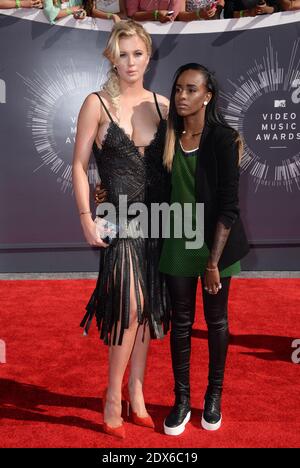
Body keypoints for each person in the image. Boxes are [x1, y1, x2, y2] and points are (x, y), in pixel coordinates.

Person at [72, 20, 170, 439]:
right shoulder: (97, 103)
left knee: (148, 313)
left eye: (137, 53)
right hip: (120, 219)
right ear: (112, 57)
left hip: (159, 220)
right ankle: (113, 395)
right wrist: (85, 216)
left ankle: (138, 391)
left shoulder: (165, 105)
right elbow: (78, 164)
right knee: (130, 308)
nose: (130, 62)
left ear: (149, 56)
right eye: (122, 54)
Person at [159, 63, 249, 435]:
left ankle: (213, 397)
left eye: (191, 89)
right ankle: (182, 399)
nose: (182, 96)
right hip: (177, 243)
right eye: (178, 88)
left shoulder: (223, 139)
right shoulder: (167, 137)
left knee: (216, 322)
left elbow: (228, 205)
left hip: (216, 247)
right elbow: (152, 190)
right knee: (180, 323)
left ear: (207, 96)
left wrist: (213, 262)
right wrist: (108, 195)